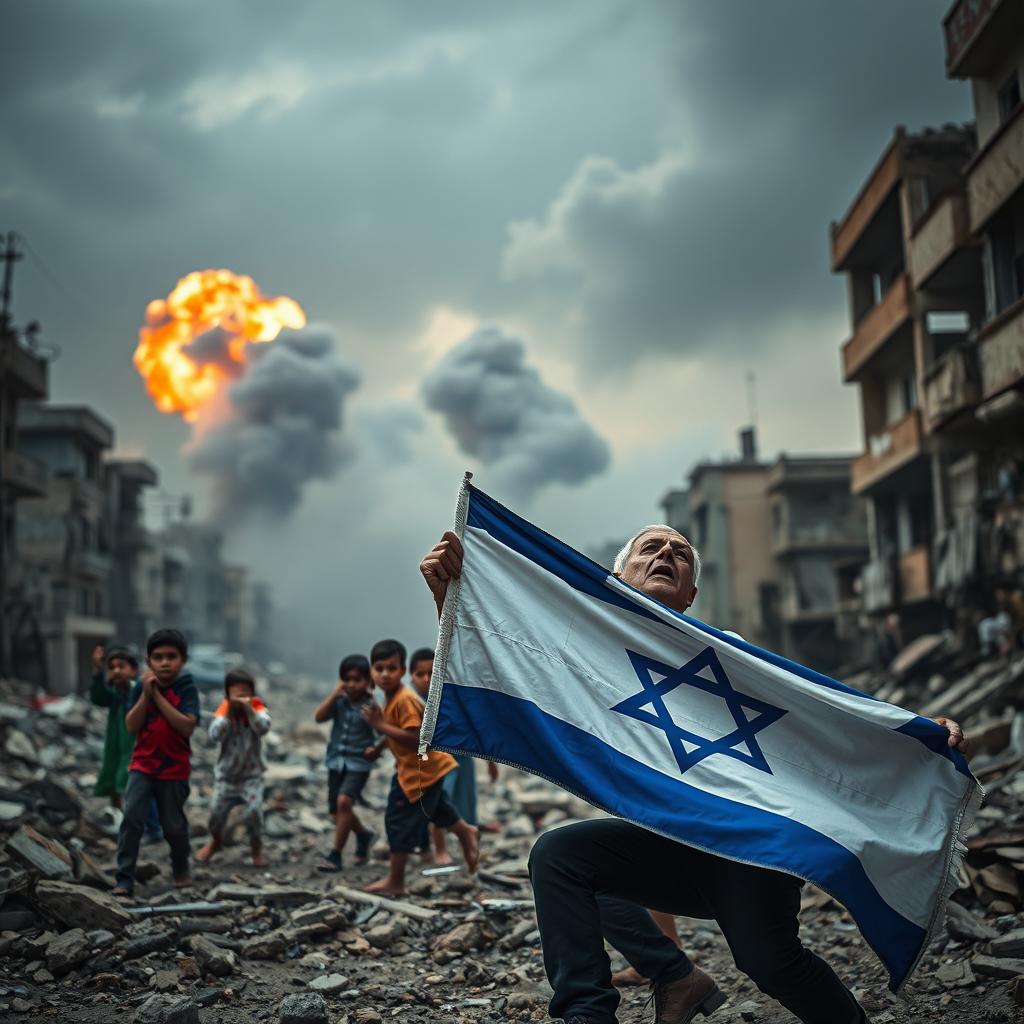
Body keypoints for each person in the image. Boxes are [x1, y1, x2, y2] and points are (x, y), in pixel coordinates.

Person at [418, 526, 969, 1024]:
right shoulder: (580, 646)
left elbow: (826, 715)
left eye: (680, 554)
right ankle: (595, 1012)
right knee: (560, 858)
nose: (666, 555)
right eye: (651, 549)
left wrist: (916, 734)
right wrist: (451, 600)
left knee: (770, 962)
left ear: (690, 595)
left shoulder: (731, 661)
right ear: (616, 577)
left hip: (752, 845)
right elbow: (511, 659)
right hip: (671, 842)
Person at [361, 638, 479, 896]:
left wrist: (379, 727)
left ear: (402, 670)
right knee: (437, 809)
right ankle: (465, 831)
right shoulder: (391, 698)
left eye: (391, 668)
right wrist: (379, 746)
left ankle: (396, 881)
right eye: (379, 668)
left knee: (398, 819)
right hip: (420, 769)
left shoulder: (404, 700)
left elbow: (416, 737)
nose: (384, 674)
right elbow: (397, 729)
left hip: (421, 772)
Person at [113, 628, 199, 897]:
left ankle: (181, 867)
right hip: (143, 765)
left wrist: (158, 696)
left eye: (171, 657)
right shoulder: (141, 687)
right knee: (132, 819)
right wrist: (146, 694)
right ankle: (124, 878)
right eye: (158, 657)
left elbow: (186, 726)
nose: (164, 663)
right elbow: (131, 725)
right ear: (149, 661)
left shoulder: (186, 687)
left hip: (174, 768)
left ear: (182, 660)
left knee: (173, 825)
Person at [409, 646, 500, 864]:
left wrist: (490, 762)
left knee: (465, 803)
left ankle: (468, 846)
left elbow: (476, 727)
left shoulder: (450, 697)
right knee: (440, 802)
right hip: (434, 763)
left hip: (460, 758)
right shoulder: (411, 702)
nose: (426, 679)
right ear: (411, 677)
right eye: (420, 674)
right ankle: (438, 850)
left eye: (431, 673)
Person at [313, 654, 384, 872]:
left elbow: (384, 731)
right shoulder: (340, 702)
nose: (352, 685)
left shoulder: (371, 705)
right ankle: (364, 835)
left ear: (368, 682)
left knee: (344, 802)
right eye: (347, 679)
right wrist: (335, 693)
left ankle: (335, 855)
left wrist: (376, 749)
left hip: (358, 763)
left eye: (357, 680)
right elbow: (319, 717)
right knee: (336, 811)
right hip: (336, 761)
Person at [196, 668, 272, 866]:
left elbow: (263, 728)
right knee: (215, 814)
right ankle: (216, 841)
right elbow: (215, 735)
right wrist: (229, 712)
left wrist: (248, 708)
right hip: (227, 777)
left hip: (251, 776)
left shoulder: (257, 708)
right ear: (227, 693)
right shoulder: (223, 710)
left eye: (246, 692)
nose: (241, 697)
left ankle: (256, 847)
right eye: (237, 692)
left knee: (254, 813)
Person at [89, 644, 163, 842]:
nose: (116, 671)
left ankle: (153, 830)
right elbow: (98, 697)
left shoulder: (139, 690)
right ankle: (132, 826)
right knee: (121, 786)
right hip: (119, 749)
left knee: (141, 789)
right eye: (111, 667)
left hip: (140, 749)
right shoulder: (116, 694)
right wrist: (97, 671)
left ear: (134, 670)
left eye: (121, 666)